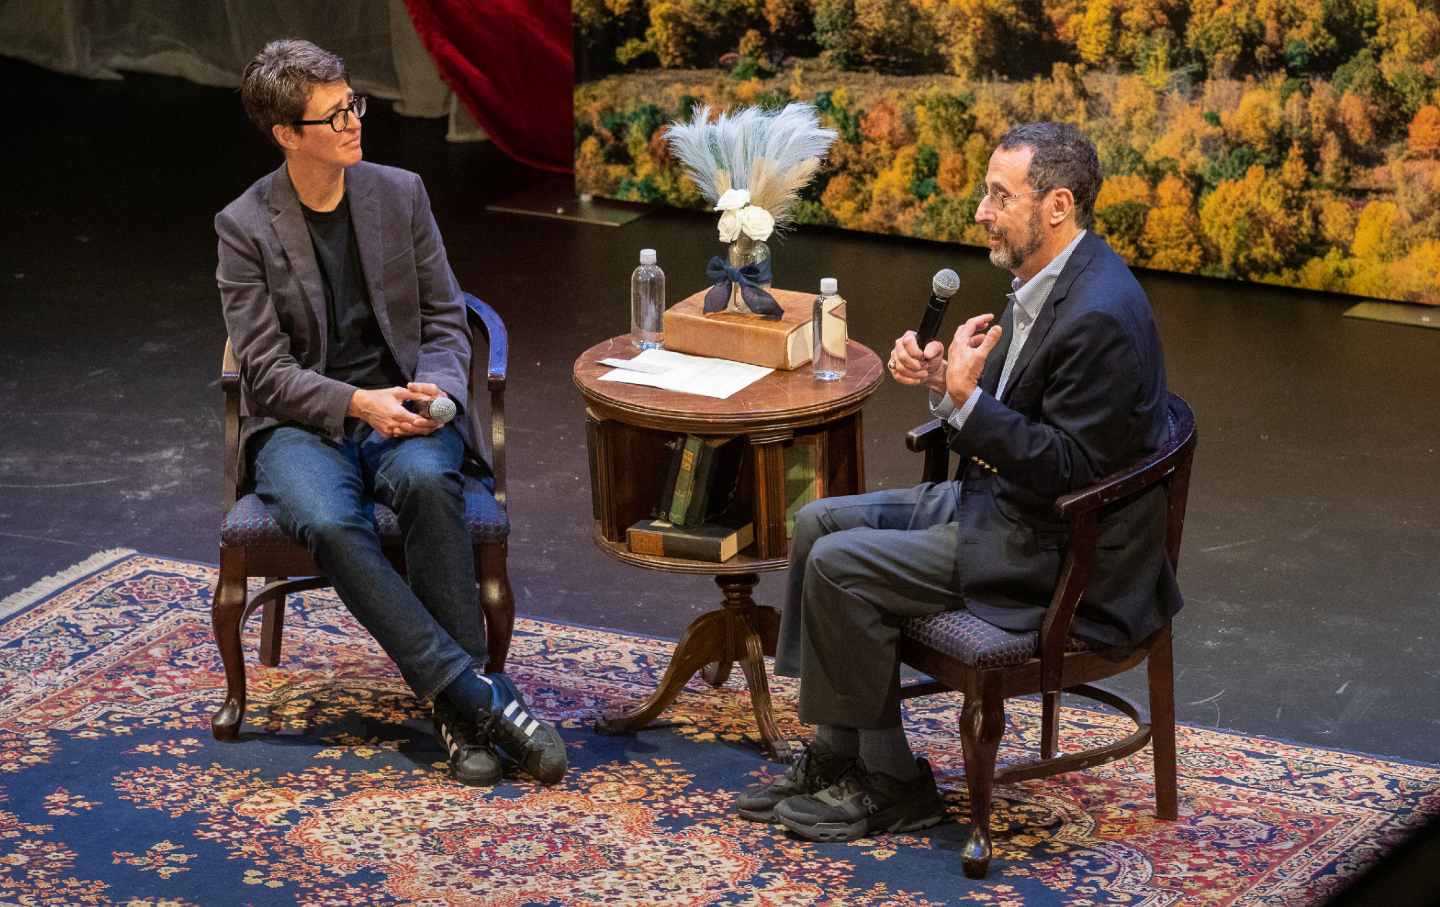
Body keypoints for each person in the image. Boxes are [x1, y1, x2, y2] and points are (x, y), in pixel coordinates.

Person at [737, 122, 1181, 840]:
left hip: (1057, 549)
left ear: (1057, 204)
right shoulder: (1049, 277)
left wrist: (969, 404)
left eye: (999, 196)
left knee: (840, 567)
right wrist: (948, 385)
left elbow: (1066, 472)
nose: (981, 210)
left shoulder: (1099, 315)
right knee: (818, 522)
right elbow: (1022, 420)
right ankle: (837, 749)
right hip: (1008, 505)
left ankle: (894, 781)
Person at [215, 39, 565, 787]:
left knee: (428, 481)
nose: (353, 122)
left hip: (402, 404)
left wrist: (438, 390)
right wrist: (354, 403)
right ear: (286, 134)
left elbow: (445, 317)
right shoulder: (243, 227)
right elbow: (268, 372)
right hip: (303, 425)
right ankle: (471, 694)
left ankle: (454, 704)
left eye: (353, 104)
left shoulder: (397, 193)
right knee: (332, 523)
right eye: (333, 114)